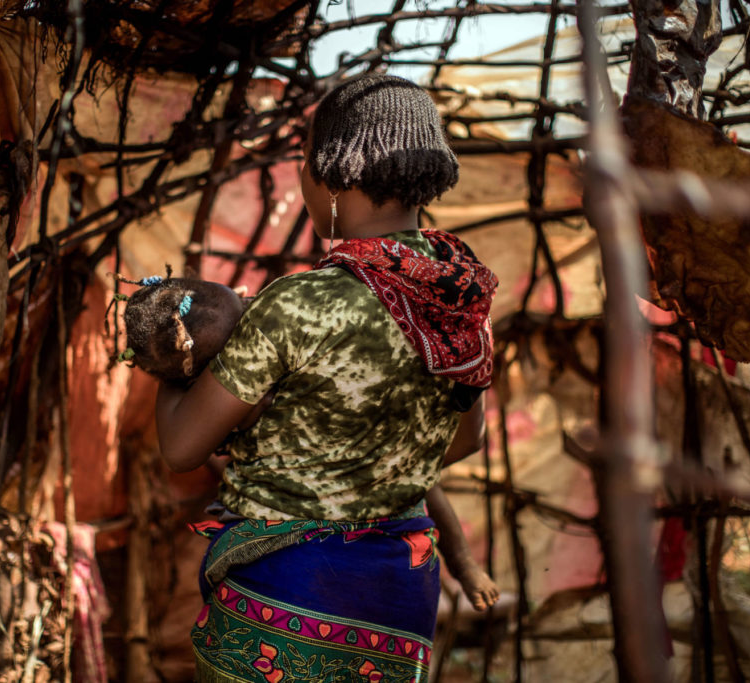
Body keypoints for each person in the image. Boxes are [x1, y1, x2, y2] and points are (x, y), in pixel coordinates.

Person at [150, 73, 500, 683]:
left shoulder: (299, 304)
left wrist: (169, 354)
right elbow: (465, 441)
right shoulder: (461, 298)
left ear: (331, 173)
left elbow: (182, 448)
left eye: (306, 162)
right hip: (398, 598)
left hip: (289, 595)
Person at [123, 275, 500, 608]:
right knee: (421, 483)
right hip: (313, 492)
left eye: (249, 309)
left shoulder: (269, 317)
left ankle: (463, 560)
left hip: (359, 454)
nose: (251, 328)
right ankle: (462, 561)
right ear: (207, 372)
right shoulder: (225, 373)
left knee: (421, 481)